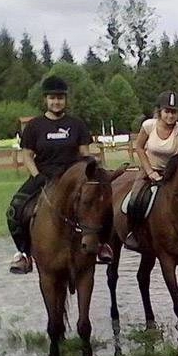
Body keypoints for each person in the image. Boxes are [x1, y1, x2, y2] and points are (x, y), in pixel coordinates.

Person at [6, 75, 105, 273]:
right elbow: (27, 155)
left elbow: (85, 154)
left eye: (60, 98)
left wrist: (92, 169)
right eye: (52, 98)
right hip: (44, 176)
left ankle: (103, 245)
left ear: (65, 100)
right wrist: (36, 175)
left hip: (73, 177)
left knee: (100, 203)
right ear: (46, 100)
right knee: (14, 209)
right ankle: (24, 253)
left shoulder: (76, 125)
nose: (56, 102)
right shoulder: (34, 126)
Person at [123, 91, 178, 250]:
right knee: (134, 199)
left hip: (172, 172)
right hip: (149, 169)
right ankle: (134, 232)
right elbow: (139, 147)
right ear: (160, 111)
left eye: (174, 112)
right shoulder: (148, 126)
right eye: (167, 111)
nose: (170, 116)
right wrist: (150, 171)